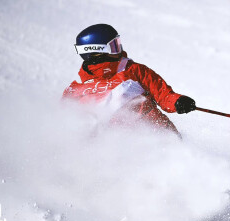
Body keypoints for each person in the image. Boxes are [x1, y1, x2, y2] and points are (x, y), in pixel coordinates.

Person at [62, 24, 196, 137]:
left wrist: (178, 101)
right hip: (118, 150)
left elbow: (163, 94)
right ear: (97, 51)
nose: (119, 49)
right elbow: (66, 123)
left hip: (160, 137)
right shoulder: (75, 91)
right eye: (114, 46)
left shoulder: (133, 70)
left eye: (118, 43)